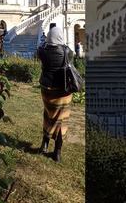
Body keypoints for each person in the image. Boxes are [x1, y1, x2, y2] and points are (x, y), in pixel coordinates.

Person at [36, 27, 73, 163]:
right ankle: (57, 151)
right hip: (63, 89)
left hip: (47, 88)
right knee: (61, 119)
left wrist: (45, 42)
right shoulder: (67, 51)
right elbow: (71, 58)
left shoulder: (43, 51)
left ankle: (44, 144)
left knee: (48, 115)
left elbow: (39, 49)